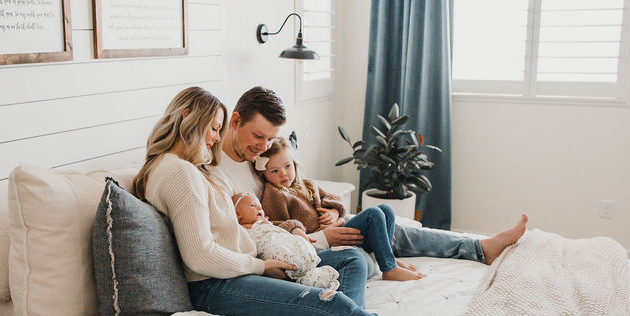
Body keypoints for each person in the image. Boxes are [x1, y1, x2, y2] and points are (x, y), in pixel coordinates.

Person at [134, 85, 531, 316]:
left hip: (252, 260)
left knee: (353, 257)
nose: (217, 138)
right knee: (329, 302)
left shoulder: (181, 170)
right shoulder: (182, 172)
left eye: (220, 129)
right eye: (214, 128)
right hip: (221, 282)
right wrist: (262, 264)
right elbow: (200, 256)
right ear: (189, 119)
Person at [207, 85, 528, 266]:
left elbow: (299, 184)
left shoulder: (259, 156)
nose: (263, 147)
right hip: (302, 247)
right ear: (234, 121)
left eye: (269, 139)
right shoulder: (216, 176)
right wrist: (322, 238)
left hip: (317, 231)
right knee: (378, 227)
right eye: (258, 137)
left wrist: (333, 212)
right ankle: (396, 265)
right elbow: (253, 238)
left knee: (393, 226)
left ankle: (478, 248)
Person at [257, 136, 422, 282]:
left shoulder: (307, 184)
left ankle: (387, 258)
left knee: (386, 210)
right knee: (373, 214)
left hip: (338, 230)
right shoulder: (274, 194)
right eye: (274, 171)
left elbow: (335, 199)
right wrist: (297, 230)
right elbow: (275, 226)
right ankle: (389, 269)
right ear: (263, 174)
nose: (284, 174)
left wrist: (334, 211)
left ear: (294, 164)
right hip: (322, 246)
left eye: (287, 166)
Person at [233, 192, 340, 290]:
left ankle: (312, 278)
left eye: (260, 207)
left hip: (305, 251)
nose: (259, 208)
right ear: (237, 214)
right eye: (253, 205)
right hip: (283, 263)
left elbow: (283, 231)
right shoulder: (239, 230)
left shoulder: (267, 223)